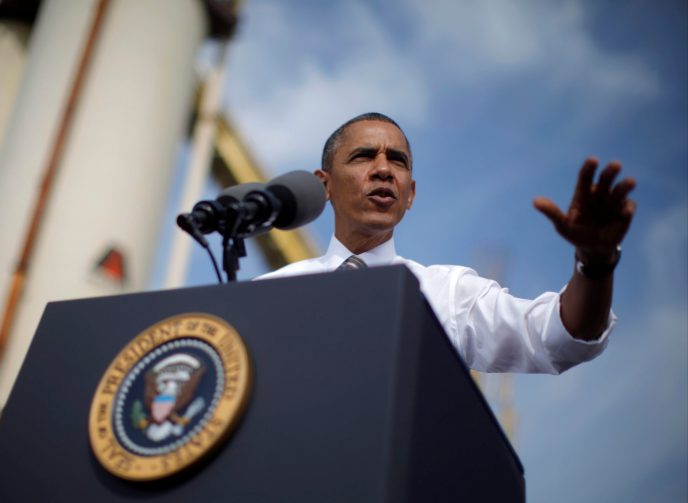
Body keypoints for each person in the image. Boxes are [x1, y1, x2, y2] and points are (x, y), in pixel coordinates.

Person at [257, 112, 637, 374]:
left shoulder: (448, 294)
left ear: (410, 195)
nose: (384, 169)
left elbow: (557, 336)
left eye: (399, 161)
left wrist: (595, 263)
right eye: (363, 156)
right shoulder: (271, 293)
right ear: (324, 185)